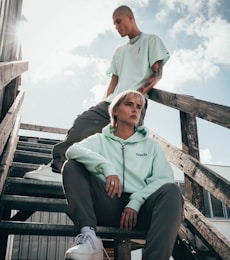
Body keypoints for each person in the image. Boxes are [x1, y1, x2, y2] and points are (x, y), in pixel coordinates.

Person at [62, 90, 183, 260]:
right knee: (72, 165)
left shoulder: (151, 146)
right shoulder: (99, 140)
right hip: (108, 203)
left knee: (172, 191)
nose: (136, 109)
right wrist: (107, 167)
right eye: (130, 104)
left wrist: (136, 201)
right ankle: (89, 237)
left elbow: (164, 178)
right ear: (115, 111)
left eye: (140, 106)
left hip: (141, 210)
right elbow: (73, 149)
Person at [24, 5, 170, 182]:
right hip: (111, 102)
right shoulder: (119, 52)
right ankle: (58, 168)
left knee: (118, 145)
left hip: (133, 104)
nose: (116, 27)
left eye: (118, 21)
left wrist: (135, 95)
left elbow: (157, 74)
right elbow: (113, 81)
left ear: (130, 18)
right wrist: (103, 103)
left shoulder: (151, 41)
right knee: (82, 123)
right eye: (114, 24)